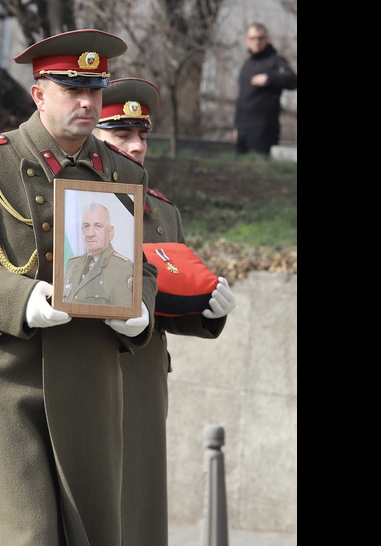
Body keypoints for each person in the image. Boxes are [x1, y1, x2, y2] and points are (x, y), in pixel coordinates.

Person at [0, 29, 159, 545]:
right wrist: (20, 298)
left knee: (92, 534)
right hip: (5, 375)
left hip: (92, 375)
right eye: (72, 89)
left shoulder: (120, 171)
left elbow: (140, 262)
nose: (86, 102)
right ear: (38, 94)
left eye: (94, 90)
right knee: (23, 534)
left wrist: (142, 307)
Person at [93, 76, 238, 544]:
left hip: (143, 374)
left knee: (139, 508)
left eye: (142, 136)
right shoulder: (67, 199)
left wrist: (207, 312)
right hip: (80, 368)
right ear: (92, 133)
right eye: (121, 134)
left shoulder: (162, 211)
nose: (137, 146)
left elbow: (171, 298)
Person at [233, 22, 297, 156]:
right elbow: (242, 99)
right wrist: (237, 126)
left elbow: (293, 81)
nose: (256, 42)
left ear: (267, 39)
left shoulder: (276, 61)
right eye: (253, 38)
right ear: (246, 39)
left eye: (260, 38)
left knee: (259, 172)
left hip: (264, 128)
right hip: (243, 129)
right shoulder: (247, 64)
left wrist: (269, 79)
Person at [63, 202, 134, 306]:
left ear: (110, 232)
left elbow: (122, 313)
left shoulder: (123, 266)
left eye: (98, 226)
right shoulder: (72, 264)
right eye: (86, 226)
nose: (90, 233)